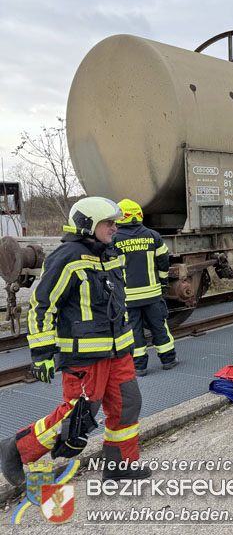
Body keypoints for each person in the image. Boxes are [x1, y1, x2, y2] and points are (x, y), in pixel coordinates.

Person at [0, 197, 151, 485]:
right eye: (108, 223)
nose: (114, 228)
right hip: (84, 357)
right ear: (88, 224)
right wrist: (42, 353)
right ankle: (16, 448)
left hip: (118, 352)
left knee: (128, 405)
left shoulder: (111, 252)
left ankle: (121, 465)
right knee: (76, 417)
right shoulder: (66, 257)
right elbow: (42, 306)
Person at [113, 199, 177, 377]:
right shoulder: (153, 236)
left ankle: (139, 367)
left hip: (128, 298)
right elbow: (164, 260)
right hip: (153, 295)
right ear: (139, 215)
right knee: (159, 327)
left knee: (134, 331)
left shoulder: (114, 240)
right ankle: (168, 360)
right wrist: (163, 281)